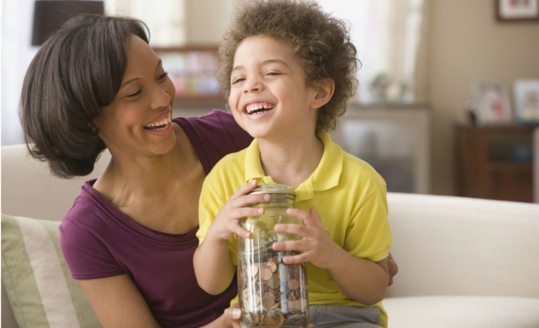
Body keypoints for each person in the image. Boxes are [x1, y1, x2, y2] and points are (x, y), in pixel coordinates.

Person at [20, 14, 251, 328]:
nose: (163, 98)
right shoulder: (88, 233)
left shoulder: (233, 135)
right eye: (134, 93)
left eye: (160, 76)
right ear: (89, 118)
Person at [193, 1, 393, 327]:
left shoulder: (360, 182)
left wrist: (331, 255)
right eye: (238, 79)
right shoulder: (225, 177)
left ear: (319, 91)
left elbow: (374, 289)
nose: (250, 86)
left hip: (344, 317)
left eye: (271, 72)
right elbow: (210, 284)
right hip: (262, 316)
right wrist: (217, 233)